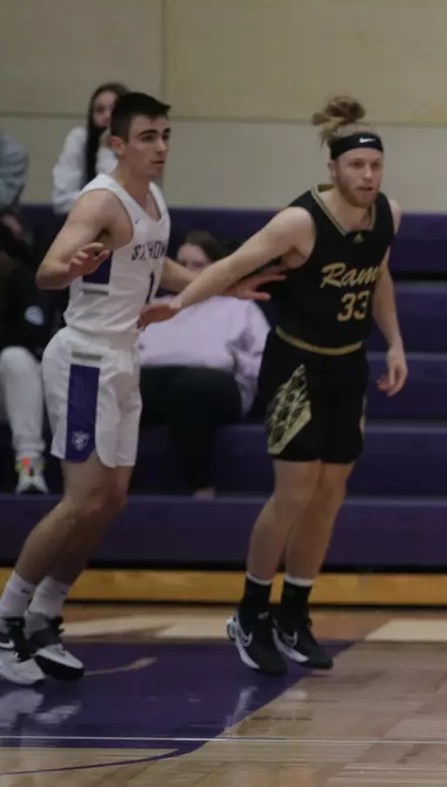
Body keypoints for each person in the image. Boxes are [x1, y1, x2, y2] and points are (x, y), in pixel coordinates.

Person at [0, 92, 275, 686]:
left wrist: (220, 285)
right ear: (118, 143)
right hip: (85, 358)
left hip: (125, 358)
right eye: (149, 136)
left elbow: (161, 270)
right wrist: (73, 267)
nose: (161, 147)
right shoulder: (101, 198)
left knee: (112, 500)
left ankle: (46, 615)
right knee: (80, 500)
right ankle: (7, 621)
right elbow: (48, 268)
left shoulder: (154, 202)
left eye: (167, 136)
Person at [143, 96, 406, 678]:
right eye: (358, 167)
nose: (368, 176)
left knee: (331, 494)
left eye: (376, 167)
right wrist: (178, 303)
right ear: (333, 169)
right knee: (294, 491)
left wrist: (394, 342)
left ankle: (295, 613)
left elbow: (378, 275)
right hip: (295, 367)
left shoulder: (388, 214)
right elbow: (232, 265)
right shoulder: (301, 221)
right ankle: (251, 611)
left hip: (347, 367)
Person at [136, 230, 270, 498]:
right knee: (114, 388)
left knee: (191, 389)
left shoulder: (238, 306)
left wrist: (232, 360)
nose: (187, 272)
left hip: (214, 384)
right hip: (153, 379)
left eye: (197, 265)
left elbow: (265, 359)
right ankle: (109, 488)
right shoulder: (156, 305)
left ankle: (202, 487)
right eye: (181, 265)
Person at [0, 217, 50, 493]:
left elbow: (33, 334)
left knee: (15, 358)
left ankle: (30, 470)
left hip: (15, 390)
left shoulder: (21, 280)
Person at [51, 82, 127, 217]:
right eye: (100, 110)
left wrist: (106, 151)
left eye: (114, 110)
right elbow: (61, 201)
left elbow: (124, 202)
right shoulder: (79, 138)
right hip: (78, 222)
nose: (107, 116)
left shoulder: (140, 148)